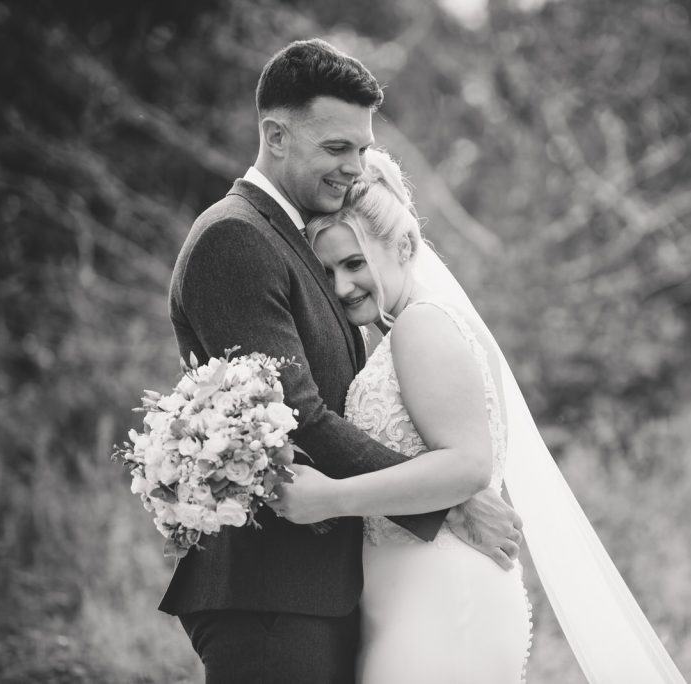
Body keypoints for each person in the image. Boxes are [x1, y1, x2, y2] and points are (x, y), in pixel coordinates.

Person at [161, 38, 523, 684]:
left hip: (327, 591)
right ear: (275, 136)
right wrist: (447, 502)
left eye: (362, 147)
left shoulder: (299, 239)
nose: (356, 166)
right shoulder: (235, 238)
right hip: (273, 593)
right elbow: (300, 418)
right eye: (337, 148)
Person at [271, 148, 533, 683]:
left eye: (354, 263)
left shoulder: (421, 327)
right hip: (411, 596)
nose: (342, 287)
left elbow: (468, 467)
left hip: (442, 595)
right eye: (327, 271)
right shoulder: (405, 335)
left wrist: (330, 498)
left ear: (406, 246)